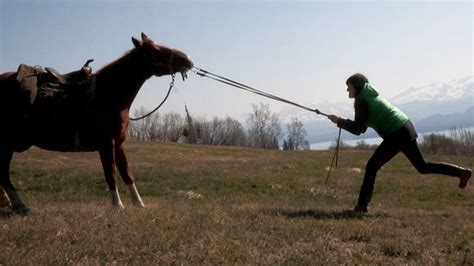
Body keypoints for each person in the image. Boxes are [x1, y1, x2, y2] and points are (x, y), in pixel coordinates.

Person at [327, 73, 471, 213]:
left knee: (372, 167)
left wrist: (339, 121)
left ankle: (361, 207)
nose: (347, 90)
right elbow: (362, 127)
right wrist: (341, 121)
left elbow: (358, 129)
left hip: (397, 133)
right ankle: (461, 173)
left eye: (349, 87)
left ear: (357, 87)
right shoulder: (369, 95)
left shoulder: (361, 101)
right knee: (422, 166)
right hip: (405, 127)